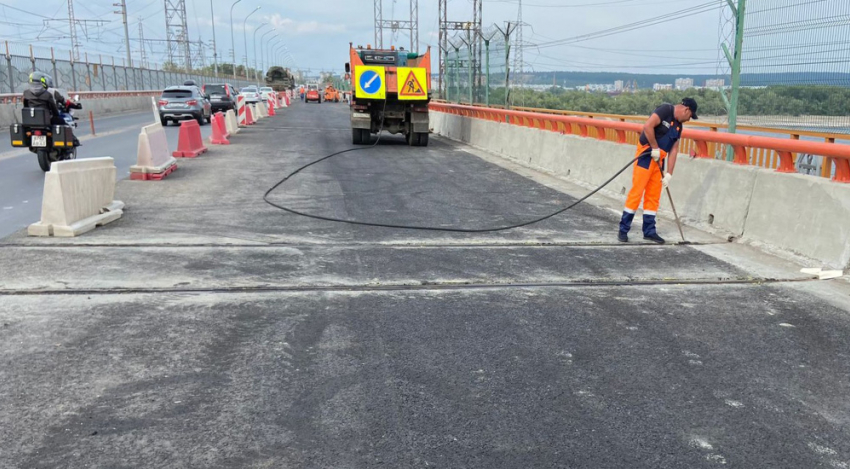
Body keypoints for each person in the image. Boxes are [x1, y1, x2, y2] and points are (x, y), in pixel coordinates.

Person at [618, 98, 698, 244]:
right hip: (646, 155)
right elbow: (648, 126)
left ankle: (649, 231)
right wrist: (654, 147)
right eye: (690, 116)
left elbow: (674, 149)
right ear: (686, 110)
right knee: (637, 193)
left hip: (659, 160)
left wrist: (669, 174)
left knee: (653, 196)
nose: (688, 119)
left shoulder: (679, 126)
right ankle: (623, 229)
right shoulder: (665, 110)